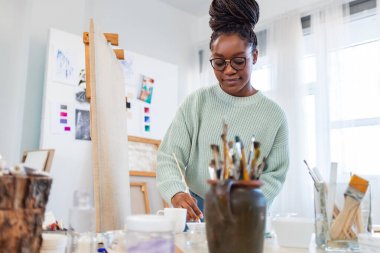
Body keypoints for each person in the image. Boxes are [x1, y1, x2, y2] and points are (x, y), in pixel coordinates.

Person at [156, 0, 289, 222]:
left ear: (254, 56)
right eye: (219, 63)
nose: (228, 70)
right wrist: (176, 192)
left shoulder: (273, 115)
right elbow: (168, 157)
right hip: (196, 211)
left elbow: (274, 175)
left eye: (238, 61)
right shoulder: (196, 103)